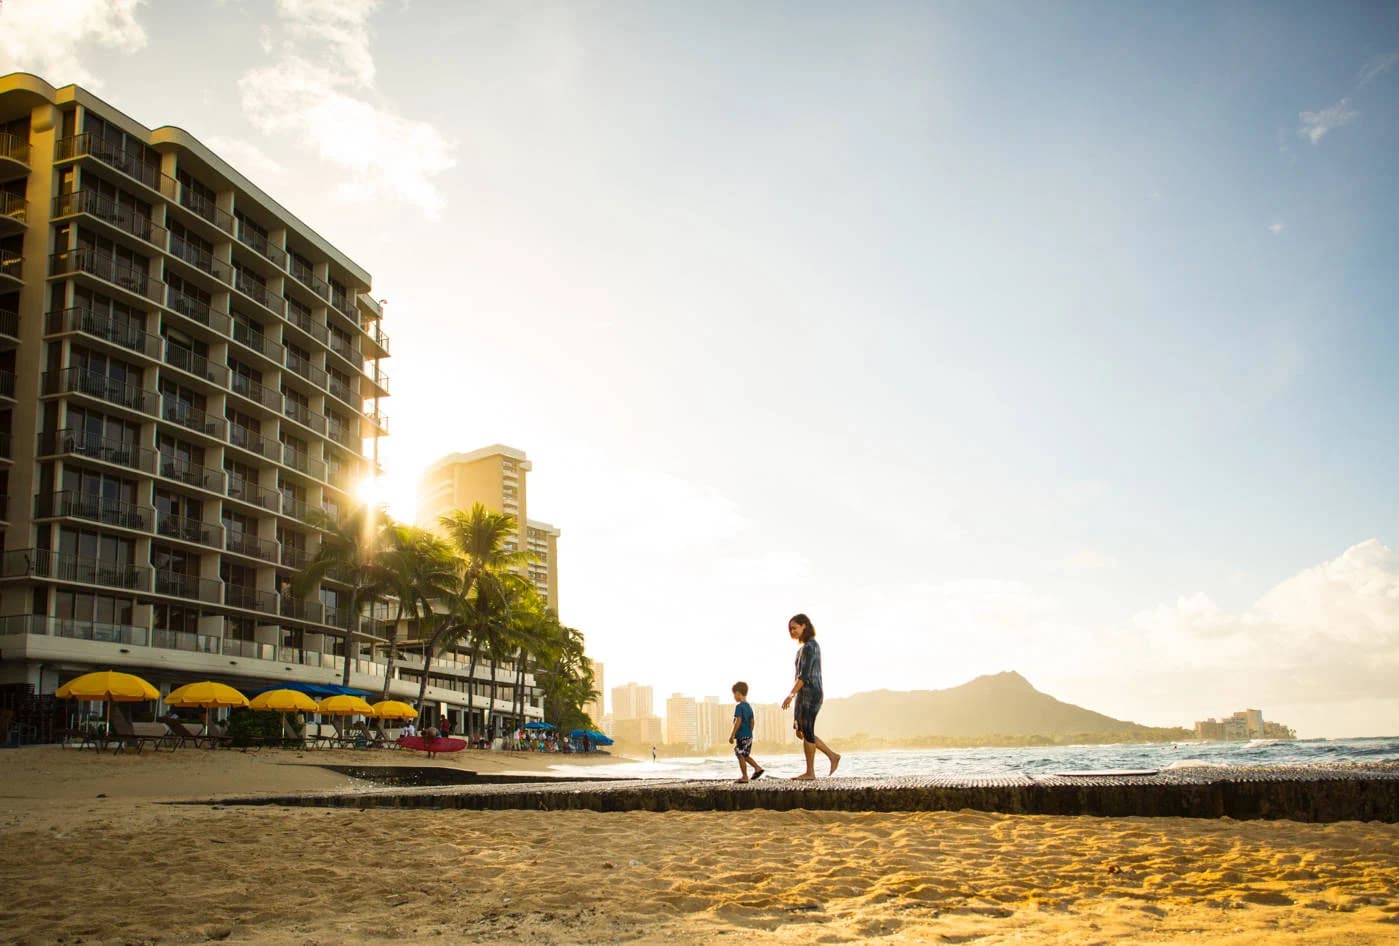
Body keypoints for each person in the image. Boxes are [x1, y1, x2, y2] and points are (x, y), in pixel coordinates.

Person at [781, 612, 841, 780]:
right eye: (789, 629)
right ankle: (832, 755)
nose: (791, 632)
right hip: (802, 694)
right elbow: (798, 676)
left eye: (794, 628)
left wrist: (790, 695)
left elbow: (804, 675)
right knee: (800, 731)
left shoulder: (811, 646)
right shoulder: (801, 650)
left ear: (804, 626)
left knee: (807, 730)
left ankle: (810, 772)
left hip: (812, 693)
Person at [728, 681, 766, 783]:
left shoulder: (739, 706)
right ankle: (757, 768)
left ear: (738, 693)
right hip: (749, 735)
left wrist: (732, 735)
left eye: (734, 694)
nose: (734, 697)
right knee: (745, 755)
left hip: (741, 735)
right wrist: (749, 733)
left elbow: (738, 721)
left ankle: (744, 776)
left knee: (740, 754)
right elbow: (752, 722)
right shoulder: (749, 707)